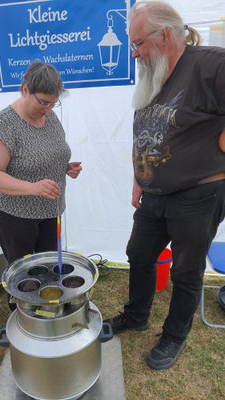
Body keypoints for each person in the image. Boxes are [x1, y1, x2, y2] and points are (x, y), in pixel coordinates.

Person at [105, 1, 225, 370]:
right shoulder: (152, 73)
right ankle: (137, 315)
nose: (134, 52)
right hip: (154, 194)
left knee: (186, 271)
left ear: (166, 36)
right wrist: (140, 179)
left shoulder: (211, 64)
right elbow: (145, 132)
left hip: (198, 195)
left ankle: (174, 335)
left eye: (139, 43)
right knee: (139, 253)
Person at [0, 61, 82, 310]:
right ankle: (24, 321)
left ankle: (49, 315)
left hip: (50, 211)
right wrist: (33, 187)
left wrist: (64, 167)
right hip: (15, 216)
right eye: (43, 102)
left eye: (53, 103)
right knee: (23, 275)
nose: (48, 109)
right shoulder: (3, 126)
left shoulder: (49, 117)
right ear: (25, 89)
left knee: (48, 269)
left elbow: (51, 153)